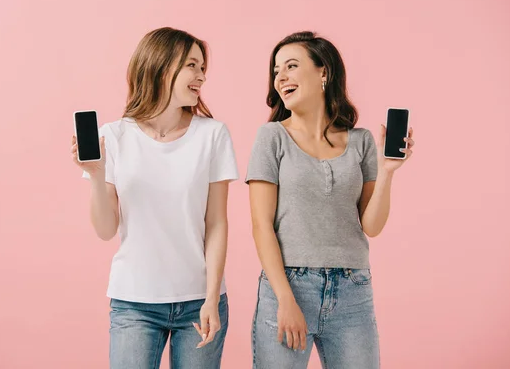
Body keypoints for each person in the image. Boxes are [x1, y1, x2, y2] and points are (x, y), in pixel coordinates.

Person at [71, 27, 239, 369]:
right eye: (192, 65)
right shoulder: (114, 136)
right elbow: (106, 230)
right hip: (134, 302)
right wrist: (97, 174)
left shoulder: (213, 135)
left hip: (199, 303)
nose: (201, 76)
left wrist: (211, 297)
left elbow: (217, 223)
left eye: (203, 67)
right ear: (162, 66)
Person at [246, 31, 415, 368]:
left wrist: (388, 172)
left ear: (323, 71)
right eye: (276, 70)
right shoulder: (272, 137)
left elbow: (371, 225)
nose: (280, 77)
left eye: (291, 66)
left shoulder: (361, 141)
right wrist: (285, 299)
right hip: (289, 285)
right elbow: (261, 226)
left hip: (353, 289)